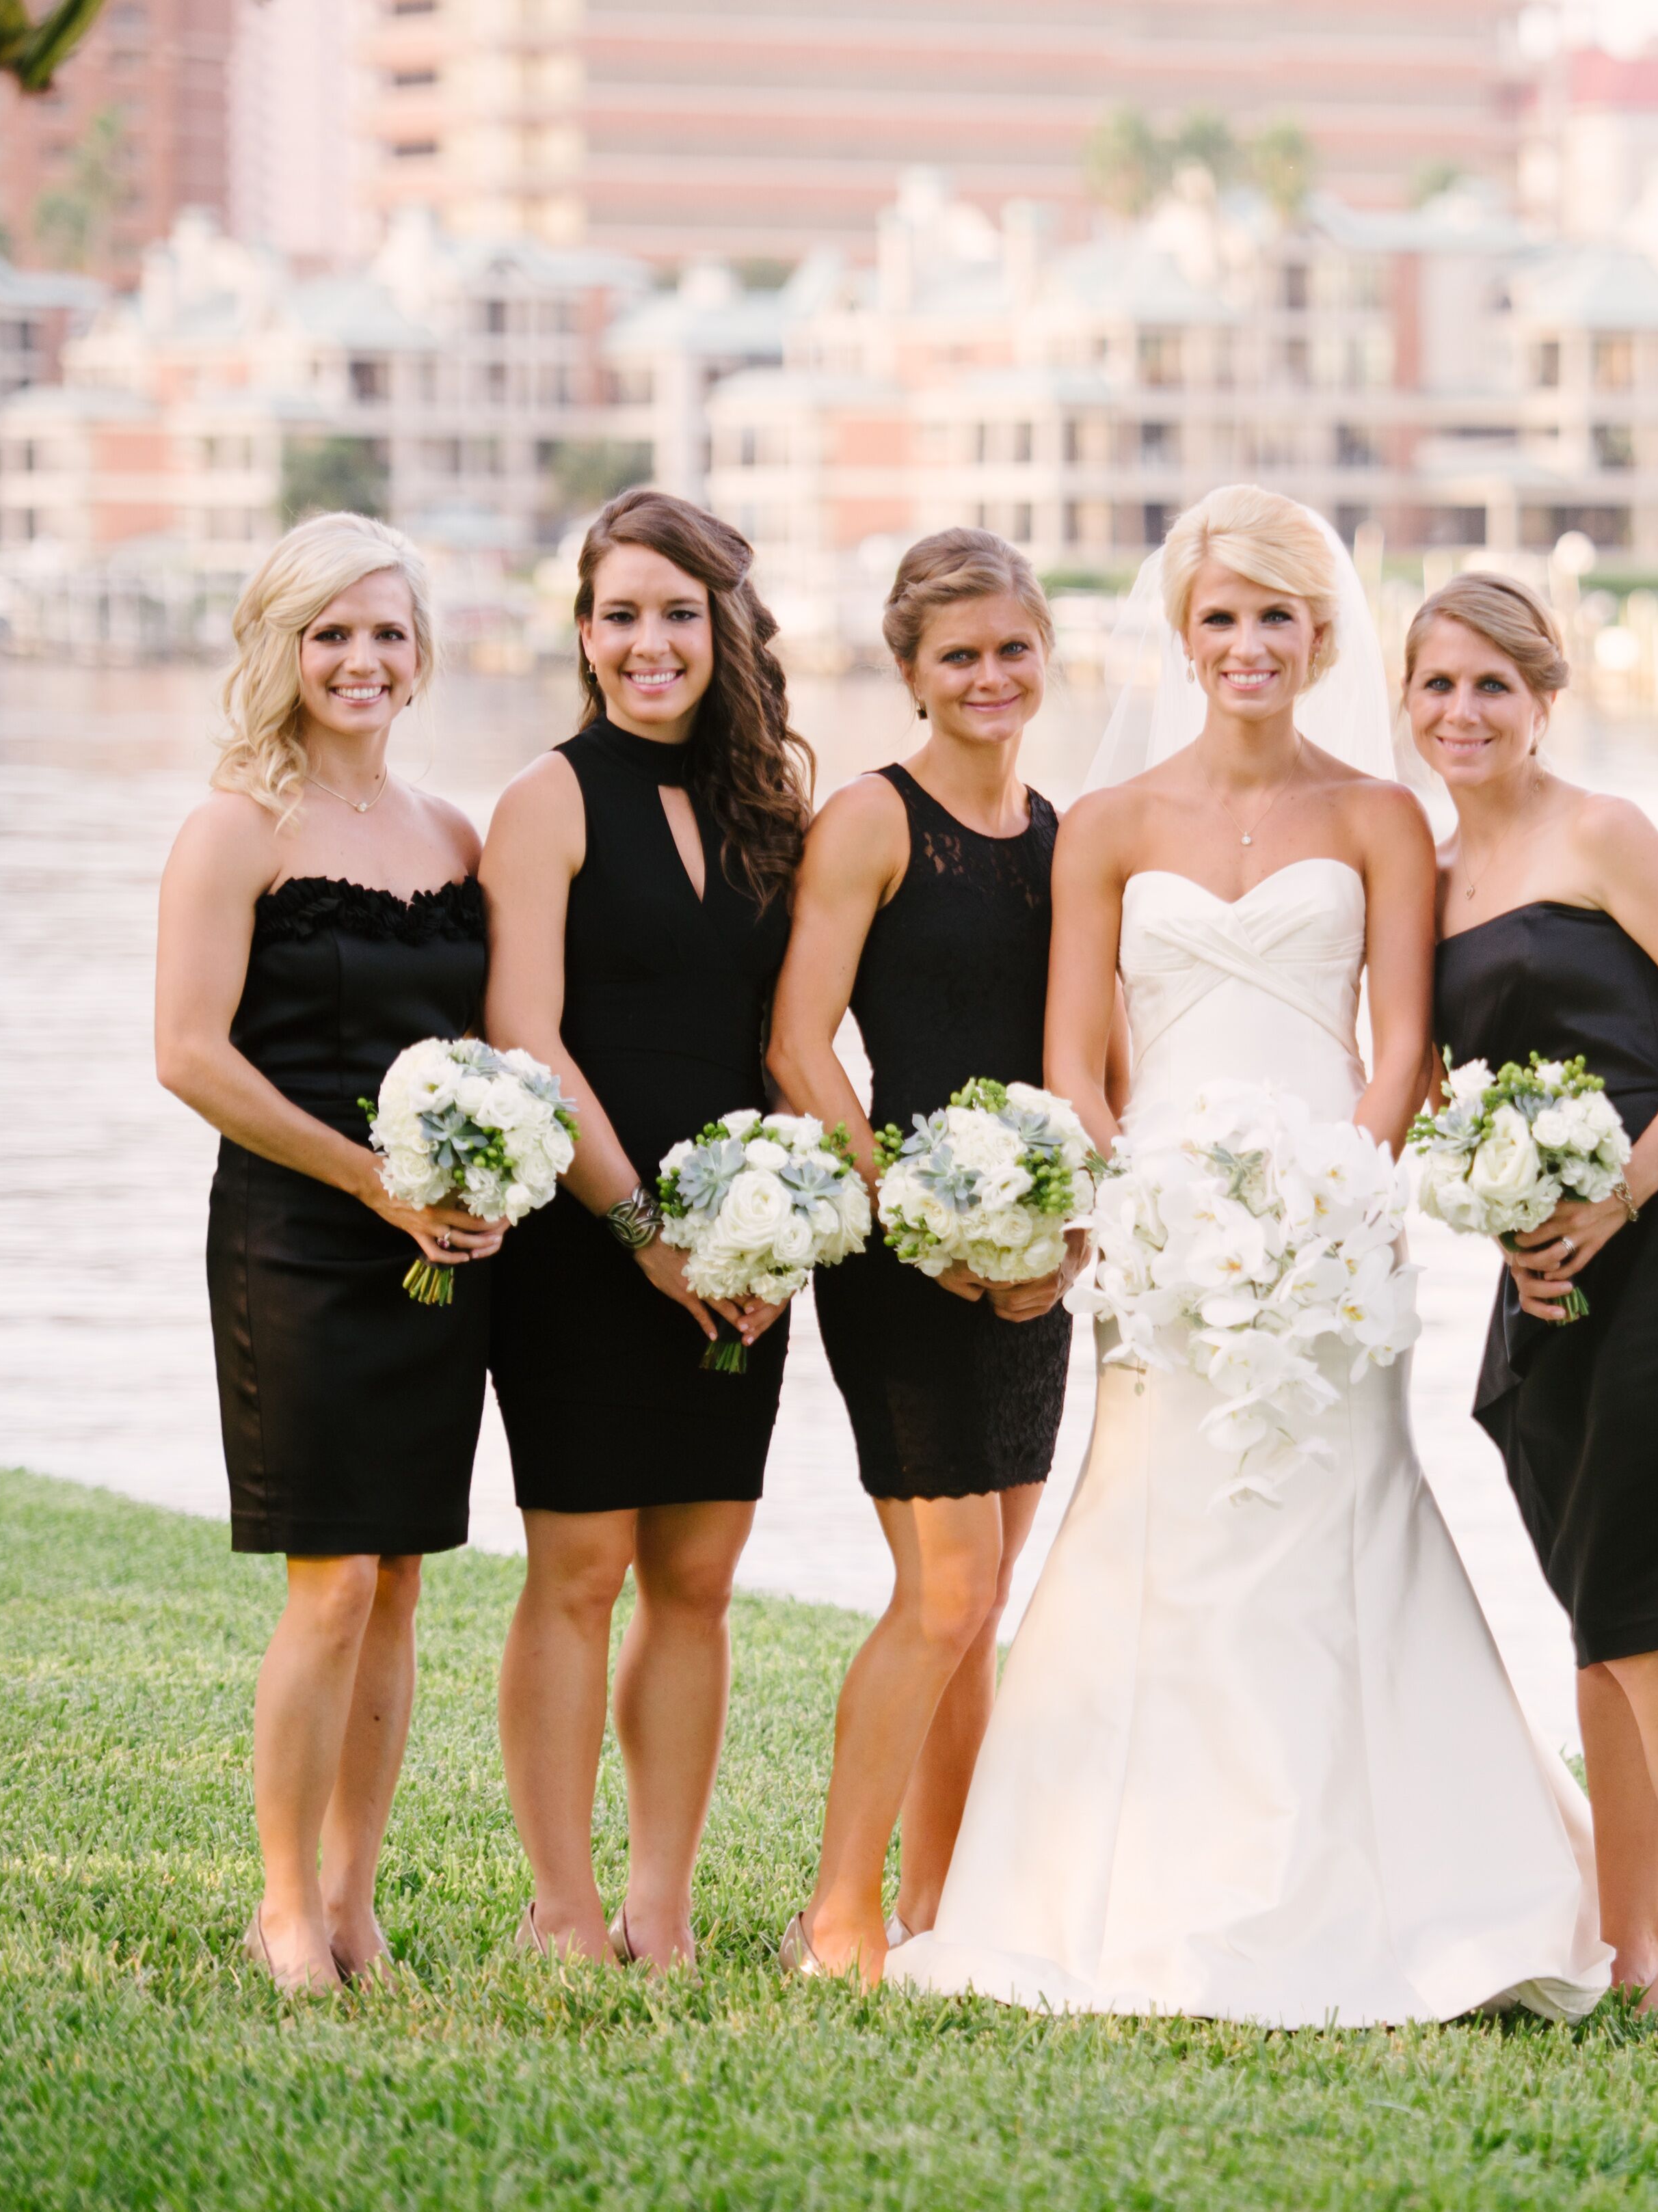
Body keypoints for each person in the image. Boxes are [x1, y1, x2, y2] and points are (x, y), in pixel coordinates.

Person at [887, 486, 1612, 2025]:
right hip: (1156, 1237)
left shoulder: (1377, 817)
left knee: (1336, 1513)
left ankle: (1412, 1882)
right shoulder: (1110, 823)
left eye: (1274, 616)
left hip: (1334, 1227)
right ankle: (1112, 1886)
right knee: (1156, 1525)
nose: (1245, 645)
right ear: (1184, 637)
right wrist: (1139, 1192)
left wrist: (1340, 1189)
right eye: (1218, 618)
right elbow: (1075, 1055)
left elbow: (1402, 1041)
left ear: (1318, 633)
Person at [1410, 571, 1658, 2012]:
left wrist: (1622, 1190)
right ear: (1406, 703)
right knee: (1594, 1607)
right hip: (1544, 1267)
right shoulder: (1429, 873)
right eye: (1438, 686)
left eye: (1491, 687)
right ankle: (1626, 1938)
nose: (1463, 713)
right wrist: (1504, 1212)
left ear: (1542, 700)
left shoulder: (1604, 832)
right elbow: (1437, 1090)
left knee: (1647, 1611)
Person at [152, 513, 494, 1994]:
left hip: (441, 1250)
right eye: (332, 633)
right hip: (298, 1236)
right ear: (283, 649)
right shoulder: (237, 825)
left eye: (387, 633)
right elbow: (187, 1055)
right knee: (332, 1579)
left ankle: (357, 1900)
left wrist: (479, 1178)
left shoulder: (454, 834)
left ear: (422, 659)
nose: (361, 660)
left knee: (405, 1576)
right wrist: (368, 1179)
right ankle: (284, 1904)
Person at [479, 489, 812, 1969]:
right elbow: (526, 1036)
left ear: (724, 628)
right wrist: (642, 1233)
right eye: (620, 613)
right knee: (579, 1571)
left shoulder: (775, 812)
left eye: (678, 611)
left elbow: (790, 1033)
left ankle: (661, 1902)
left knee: (695, 1578)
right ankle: (562, 1903)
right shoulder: (545, 799)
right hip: (585, 1235)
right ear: (584, 634)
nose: (649, 641)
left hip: (744, 1248)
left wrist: (766, 1231)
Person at [765, 530, 1071, 1982]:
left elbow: (1095, 1062)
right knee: (940, 1591)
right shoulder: (871, 820)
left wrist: (1059, 1239)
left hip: (1032, 1267)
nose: (990, 676)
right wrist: (916, 1214)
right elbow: (796, 1040)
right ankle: (838, 1912)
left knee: (984, 1601)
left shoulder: (1068, 836)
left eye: (1012, 648)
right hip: (899, 1255)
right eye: (959, 654)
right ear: (908, 673)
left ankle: (945, 1906)